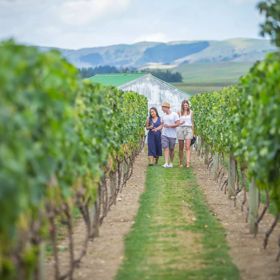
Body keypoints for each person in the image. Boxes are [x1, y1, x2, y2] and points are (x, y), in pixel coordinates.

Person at [159, 101, 180, 168]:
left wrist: (169, 126)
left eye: (163, 108)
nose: (162, 110)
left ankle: (171, 162)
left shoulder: (174, 115)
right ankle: (166, 163)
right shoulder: (163, 116)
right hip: (164, 134)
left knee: (171, 149)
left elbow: (178, 123)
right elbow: (162, 125)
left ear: (167, 108)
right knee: (165, 148)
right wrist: (156, 129)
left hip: (172, 135)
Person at [177, 100, 195, 168]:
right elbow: (177, 122)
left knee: (187, 147)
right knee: (180, 147)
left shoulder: (191, 112)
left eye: (186, 105)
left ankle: (188, 162)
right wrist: (180, 123)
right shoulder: (179, 112)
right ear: (182, 106)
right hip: (180, 129)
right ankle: (180, 161)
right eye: (184, 105)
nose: (185, 106)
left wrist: (193, 133)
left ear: (188, 105)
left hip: (188, 129)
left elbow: (192, 123)